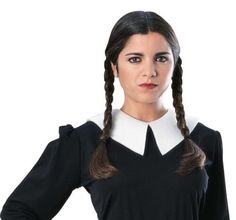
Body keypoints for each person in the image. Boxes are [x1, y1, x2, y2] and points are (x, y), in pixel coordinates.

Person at [0, 10, 230, 220]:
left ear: (175, 64)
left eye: (161, 58)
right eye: (134, 59)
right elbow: (18, 212)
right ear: (114, 67)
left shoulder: (203, 138)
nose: (149, 71)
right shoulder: (86, 141)